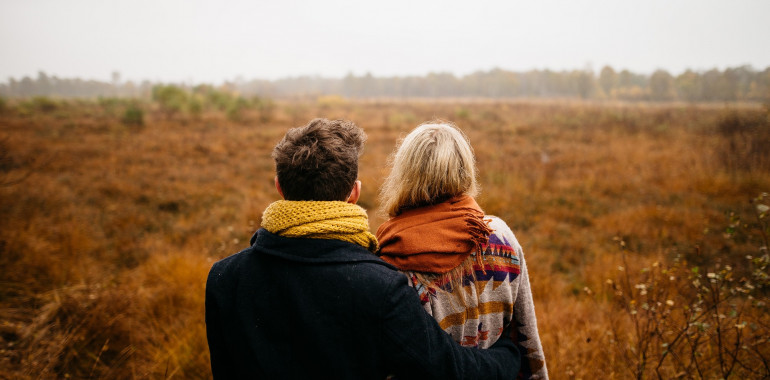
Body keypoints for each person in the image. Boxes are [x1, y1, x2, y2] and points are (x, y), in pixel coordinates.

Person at [205, 118, 522, 379]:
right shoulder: (381, 285)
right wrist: (507, 355)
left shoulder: (223, 277)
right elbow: (448, 369)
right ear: (354, 193)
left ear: (278, 186)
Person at [376, 121, 549, 379]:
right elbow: (526, 337)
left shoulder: (396, 255)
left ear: (405, 175)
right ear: (464, 170)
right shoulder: (500, 236)